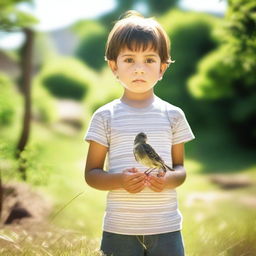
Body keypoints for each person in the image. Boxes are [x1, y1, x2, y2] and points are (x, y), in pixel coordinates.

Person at [84, 10, 195, 256]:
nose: (139, 69)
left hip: (166, 227)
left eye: (149, 60)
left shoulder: (173, 115)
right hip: (120, 229)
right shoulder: (105, 116)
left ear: (163, 67)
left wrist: (167, 180)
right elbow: (92, 174)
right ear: (114, 66)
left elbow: (180, 169)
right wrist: (120, 180)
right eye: (129, 60)